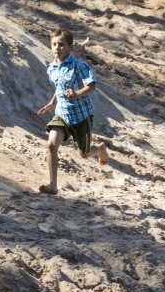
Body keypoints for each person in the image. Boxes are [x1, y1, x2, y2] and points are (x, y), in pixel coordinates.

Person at [36, 29, 110, 195]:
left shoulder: (79, 65)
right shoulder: (52, 68)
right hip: (62, 114)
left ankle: (99, 149)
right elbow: (59, 87)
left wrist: (76, 94)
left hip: (81, 116)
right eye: (54, 44)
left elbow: (91, 85)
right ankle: (52, 185)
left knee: (84, 153)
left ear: (70, 46)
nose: (57, 48)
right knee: (51, 145)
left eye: (62, 44)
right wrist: (51, 103)